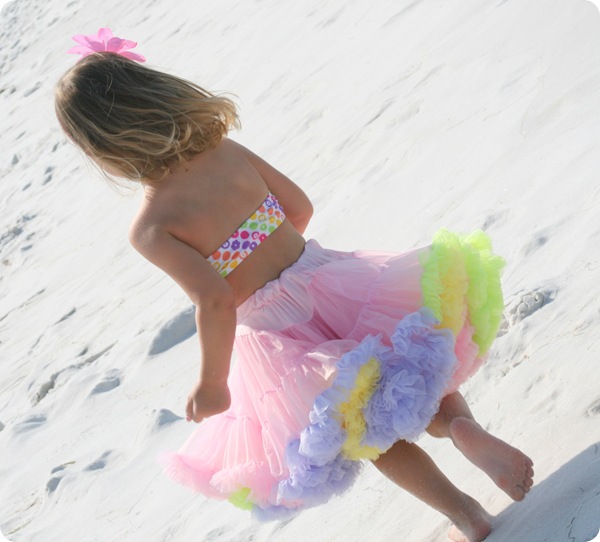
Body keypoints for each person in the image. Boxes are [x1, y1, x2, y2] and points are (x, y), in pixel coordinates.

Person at [55, 29, 534, 542]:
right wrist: (275, 247)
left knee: (365, 429)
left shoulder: (152, 226)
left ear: (101, 147)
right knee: (412, 368)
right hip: (330, 278)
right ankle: (463, 430)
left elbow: (214, 301)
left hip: (279, 334)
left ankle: (466, 515)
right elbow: (299, 208)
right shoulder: (225, 151)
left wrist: (213, 383)